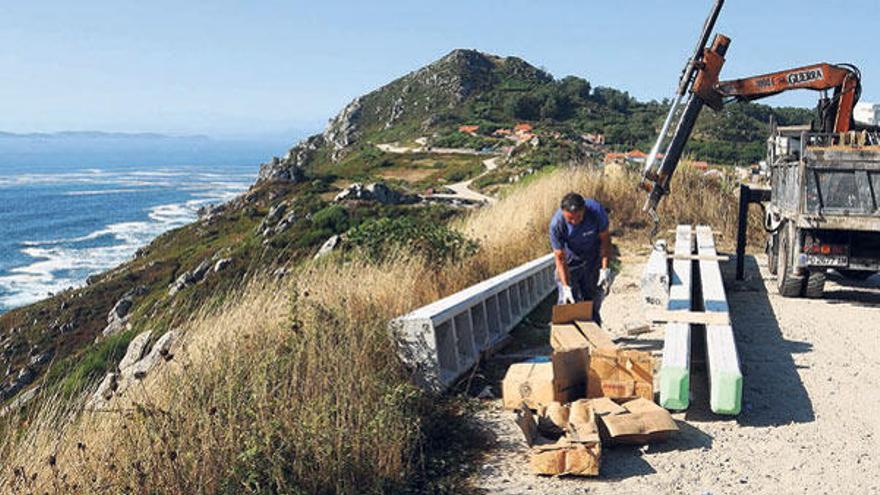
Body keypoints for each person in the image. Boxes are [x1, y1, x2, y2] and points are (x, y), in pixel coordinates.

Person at [549, 192, 612, 325]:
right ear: (563, 212)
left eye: (578, 217)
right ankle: (568, 339)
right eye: (570, 219)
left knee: (591, 301)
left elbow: (605, 240)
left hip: (592, 258)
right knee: (566, 304)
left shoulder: (596, 212)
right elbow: (560, 258)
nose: (574, 222)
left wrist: (605, 269)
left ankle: (595, 336)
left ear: (584, 210)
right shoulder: (557, 224)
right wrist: (566, 287)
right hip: (570, 260)